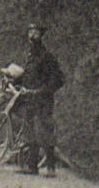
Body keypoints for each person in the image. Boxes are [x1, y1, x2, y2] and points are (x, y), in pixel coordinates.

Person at [13, 20, 66, 175]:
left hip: (43, 100)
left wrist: (43, 91)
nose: (32, 36)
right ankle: (32, 166)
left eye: (36, 33)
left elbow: (58, 79)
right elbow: (27, 76)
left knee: (45, 131)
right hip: (29, 98)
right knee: (29, 131)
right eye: (30, 33)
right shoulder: (30, 56)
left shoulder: (47, 57)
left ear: (41, 36)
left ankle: (51, 168)